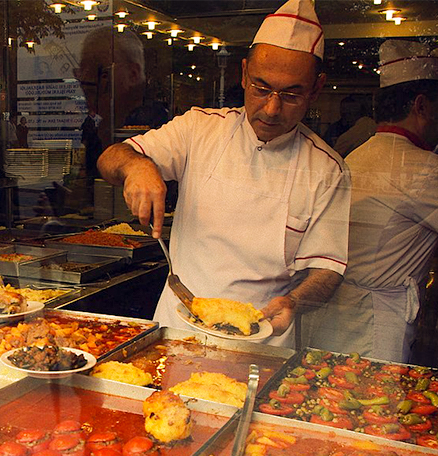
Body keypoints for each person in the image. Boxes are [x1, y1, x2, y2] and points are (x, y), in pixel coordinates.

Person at [97, 0, 351, 348]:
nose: (272, 108)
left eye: (291, 94)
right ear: (243, 74)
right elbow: (110, 158)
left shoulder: (327, 169)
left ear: (316, 89)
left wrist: (295, 301)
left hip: (261, 341)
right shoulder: (198, 129)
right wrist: (136, 166)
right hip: (177, 329)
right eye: (261, 88)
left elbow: (327, 269)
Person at [301, 40, 438, 363]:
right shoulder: (424, 170)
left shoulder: (359, 153)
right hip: (374, 323)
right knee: (370, 407)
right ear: (421, 107)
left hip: (331, 315)